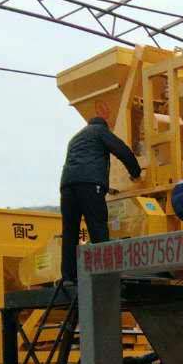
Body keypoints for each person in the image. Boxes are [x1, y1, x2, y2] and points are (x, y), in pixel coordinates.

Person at [59, 115, 142, 283]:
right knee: (97, 227)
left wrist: (105, 186)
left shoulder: (75, 138)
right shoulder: (100, 131)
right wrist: (135, 172)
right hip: (89, 185)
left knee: (70, 232)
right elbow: (122, 150)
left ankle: (68, 277)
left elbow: (82, 164)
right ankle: (104, 275)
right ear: (105, 126)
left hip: (67, 187)